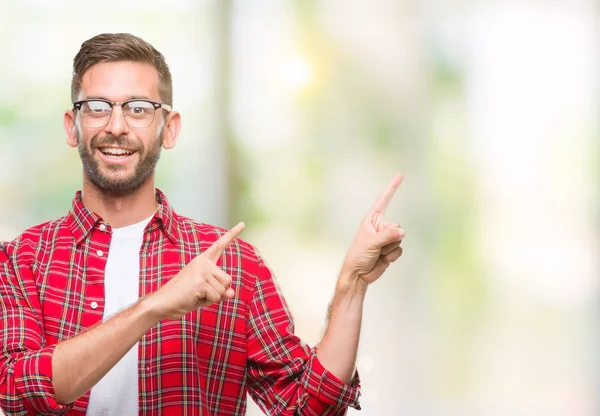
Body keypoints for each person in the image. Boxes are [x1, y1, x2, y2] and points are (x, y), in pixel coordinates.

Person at [0, 33, 405, 416]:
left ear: (169, 128)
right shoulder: (23, 259)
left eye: (139, 108)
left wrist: (352, 284)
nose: (117, 126)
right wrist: (154, 306)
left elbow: (306, 406)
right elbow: (18, 392)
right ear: (73, 127)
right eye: (98, 107)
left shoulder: (233, 264)